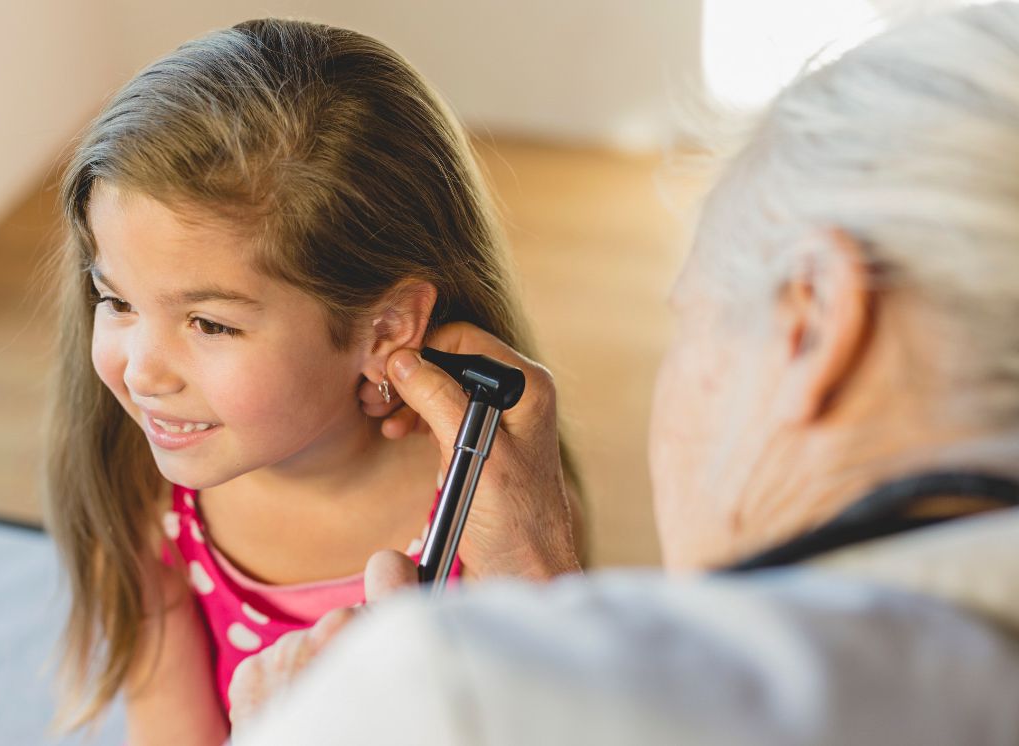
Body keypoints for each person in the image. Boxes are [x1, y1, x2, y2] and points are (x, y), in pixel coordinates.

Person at [232, 4, 1019, 743]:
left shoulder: (433, 698)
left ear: (816, 321)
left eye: (689, 318)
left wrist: (294, 727)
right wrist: (538, 577)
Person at [40, 19, 584, 743]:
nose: (140, 370)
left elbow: (565, 711)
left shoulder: (502, 510)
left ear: (385, 329)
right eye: (116, 301)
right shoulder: (146, 504)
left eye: (209, 324)